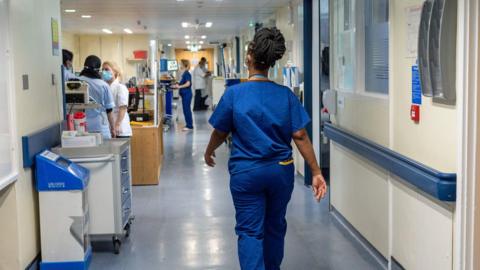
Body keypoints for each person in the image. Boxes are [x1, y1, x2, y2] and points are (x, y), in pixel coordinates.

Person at [204, 27, 327, 270]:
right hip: (280, 172)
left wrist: (209, 150)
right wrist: (316, 172)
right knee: (274, 225)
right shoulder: (286, 95)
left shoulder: (234, 94)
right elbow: (300, 135)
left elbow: (220, 131)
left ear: (248, 57)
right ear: (271, 62)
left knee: (250, 231)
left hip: (247, 173)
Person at [78, 55, 116, 139]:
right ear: (98, 69)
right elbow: (109, 110)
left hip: (80, 127)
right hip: (100, 128)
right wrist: (113, 129)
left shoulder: (76, 82)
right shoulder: (103, 85)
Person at [102, 61, 132, 138]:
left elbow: (123, 108)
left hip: (119, 129)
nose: (104, 72)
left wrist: (117, 125)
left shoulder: (120, 87)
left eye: (107, 69)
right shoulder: (105, 87)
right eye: (103, 70)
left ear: (115, 72)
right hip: (110, 128)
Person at [172, 59, 194, 131]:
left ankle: (189, 126)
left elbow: (188, 83)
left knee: (187, 110)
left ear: (184, 65)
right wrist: (177, 84)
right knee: (186, 110)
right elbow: (183, 82)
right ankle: (188, 124)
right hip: (185, 94)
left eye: (180, 64)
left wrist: (179, 86)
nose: (179, 65)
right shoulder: (184, 73)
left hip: (187, 94)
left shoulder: (187, 73)